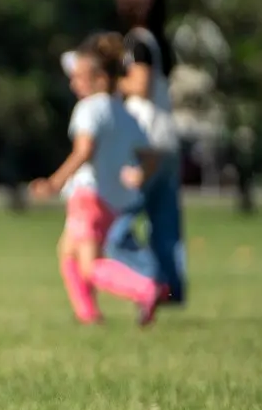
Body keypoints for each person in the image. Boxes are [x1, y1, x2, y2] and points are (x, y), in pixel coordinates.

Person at [38, 33, 168, 326]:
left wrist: (55, 182)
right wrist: (139, 175)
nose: (73, 84)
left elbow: (84, 150)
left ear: (98, 78)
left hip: (88, 195)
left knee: (89, 265)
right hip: (111, 201)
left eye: (79, 77)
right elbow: (152, 156)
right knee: (67, 252)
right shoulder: (123, 112)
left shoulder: (89, 108)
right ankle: (87, 314)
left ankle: (146, 289)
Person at [114, 0, 186, 307]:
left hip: (144, 141)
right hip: (168, 137)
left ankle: (152, 280)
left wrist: (111, 83)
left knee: (121, 223)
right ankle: (172, 290)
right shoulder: (159, 40)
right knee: (165, 224)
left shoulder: (137, 41)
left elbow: (139, 87)